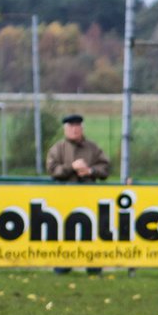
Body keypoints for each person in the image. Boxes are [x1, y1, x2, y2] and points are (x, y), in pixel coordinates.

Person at [46, 114, 111, 275]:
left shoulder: (93, 148)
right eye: (71, 127)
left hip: (88, 197)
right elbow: (53, 170)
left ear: (82, 128)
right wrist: (71, 167)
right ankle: (62, 266)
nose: (75, 130)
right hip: (65, 198)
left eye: (77, 126)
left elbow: (105, 168)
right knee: (65, 232)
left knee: (91, 232)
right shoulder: (57, 148)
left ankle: (93, 266)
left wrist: (90, 170)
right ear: (65, 129)